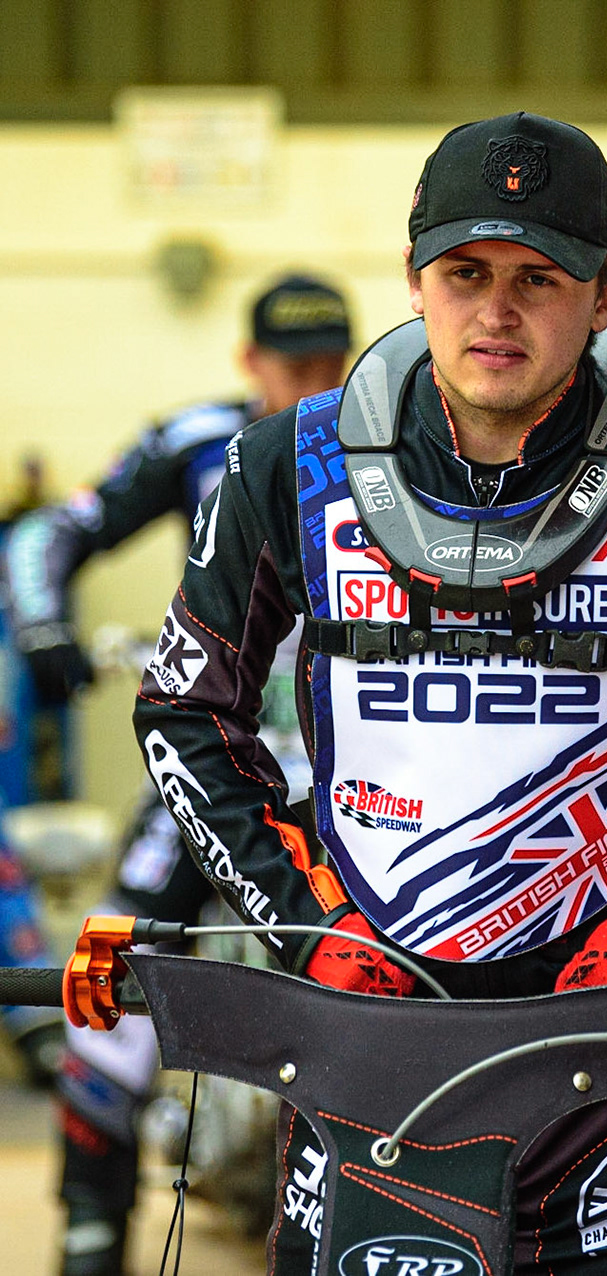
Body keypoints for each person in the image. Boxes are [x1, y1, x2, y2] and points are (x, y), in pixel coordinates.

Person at [130, 111, 607, 1275]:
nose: (496, 310)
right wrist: (307, 921)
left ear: (605, 296)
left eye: (539, 277)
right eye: (465, 273)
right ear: (413, 279)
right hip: (370, 1034)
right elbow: (184, 711)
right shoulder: (281, 466)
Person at [3, 272, 353, 1276]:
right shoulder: (199, 441)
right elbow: (51, 531)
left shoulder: (401, 434)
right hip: (211, 768)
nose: (314, 382)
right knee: (107, 969)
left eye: (332, 361)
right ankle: (89, 1228)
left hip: (355, 787)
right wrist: (41, 625)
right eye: (295, 366)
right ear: (249, 363)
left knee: (377, 998)